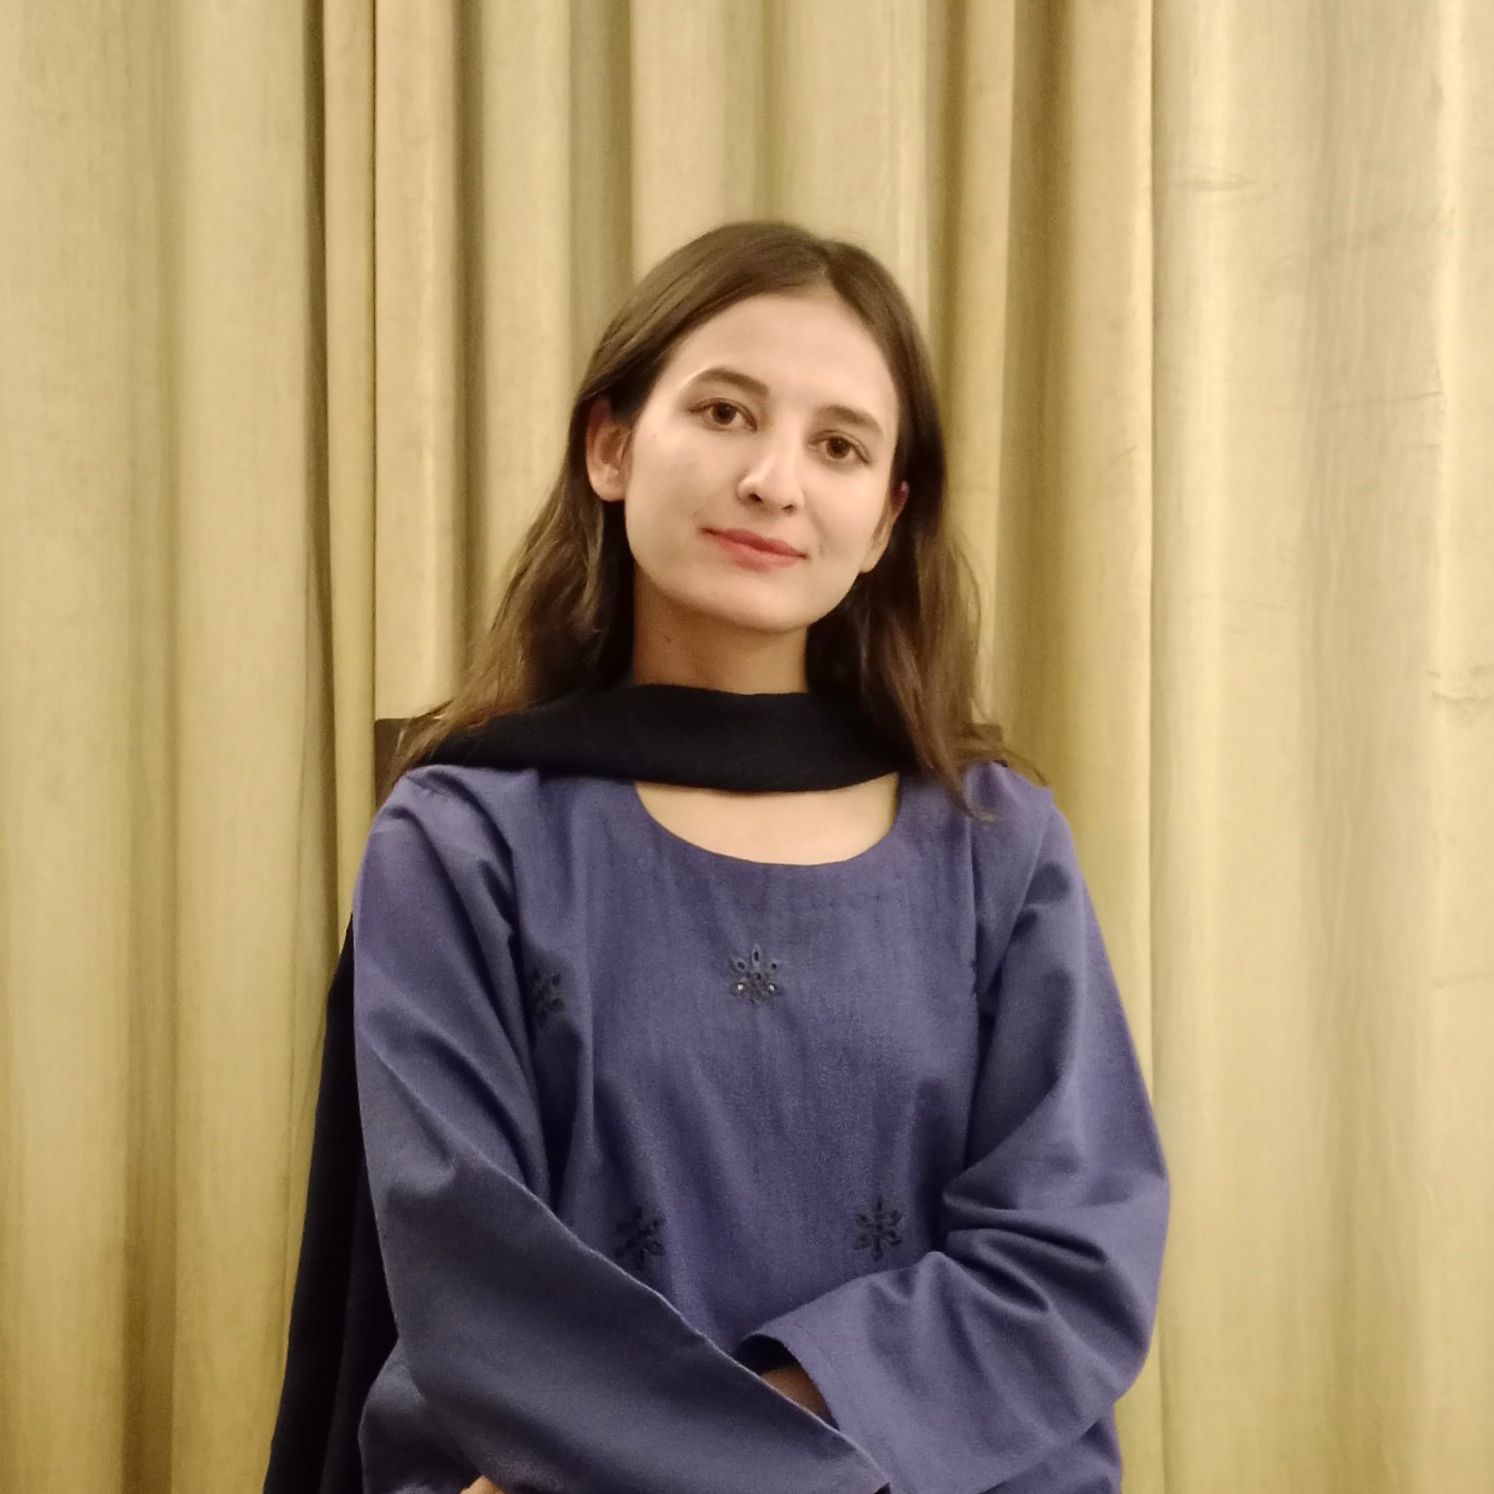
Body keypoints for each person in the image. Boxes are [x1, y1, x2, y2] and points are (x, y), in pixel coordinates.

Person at [273, 219, 1169, 1494]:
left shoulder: (996, 843)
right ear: (611, 446)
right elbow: (468, 1265)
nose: (774, 481)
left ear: (885, 519)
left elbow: (1071, 1260)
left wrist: (722, 1452)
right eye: (726, 412)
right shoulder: (464, 837)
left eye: (840, 445)